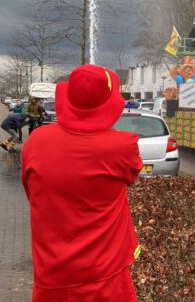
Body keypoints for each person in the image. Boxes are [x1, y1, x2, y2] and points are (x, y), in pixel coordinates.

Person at [21, 64, 142, 301]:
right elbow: (132, 174)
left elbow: (32, 192)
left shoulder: (36, 141)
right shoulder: (122, 145)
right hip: (105, 273)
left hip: (51, 273)